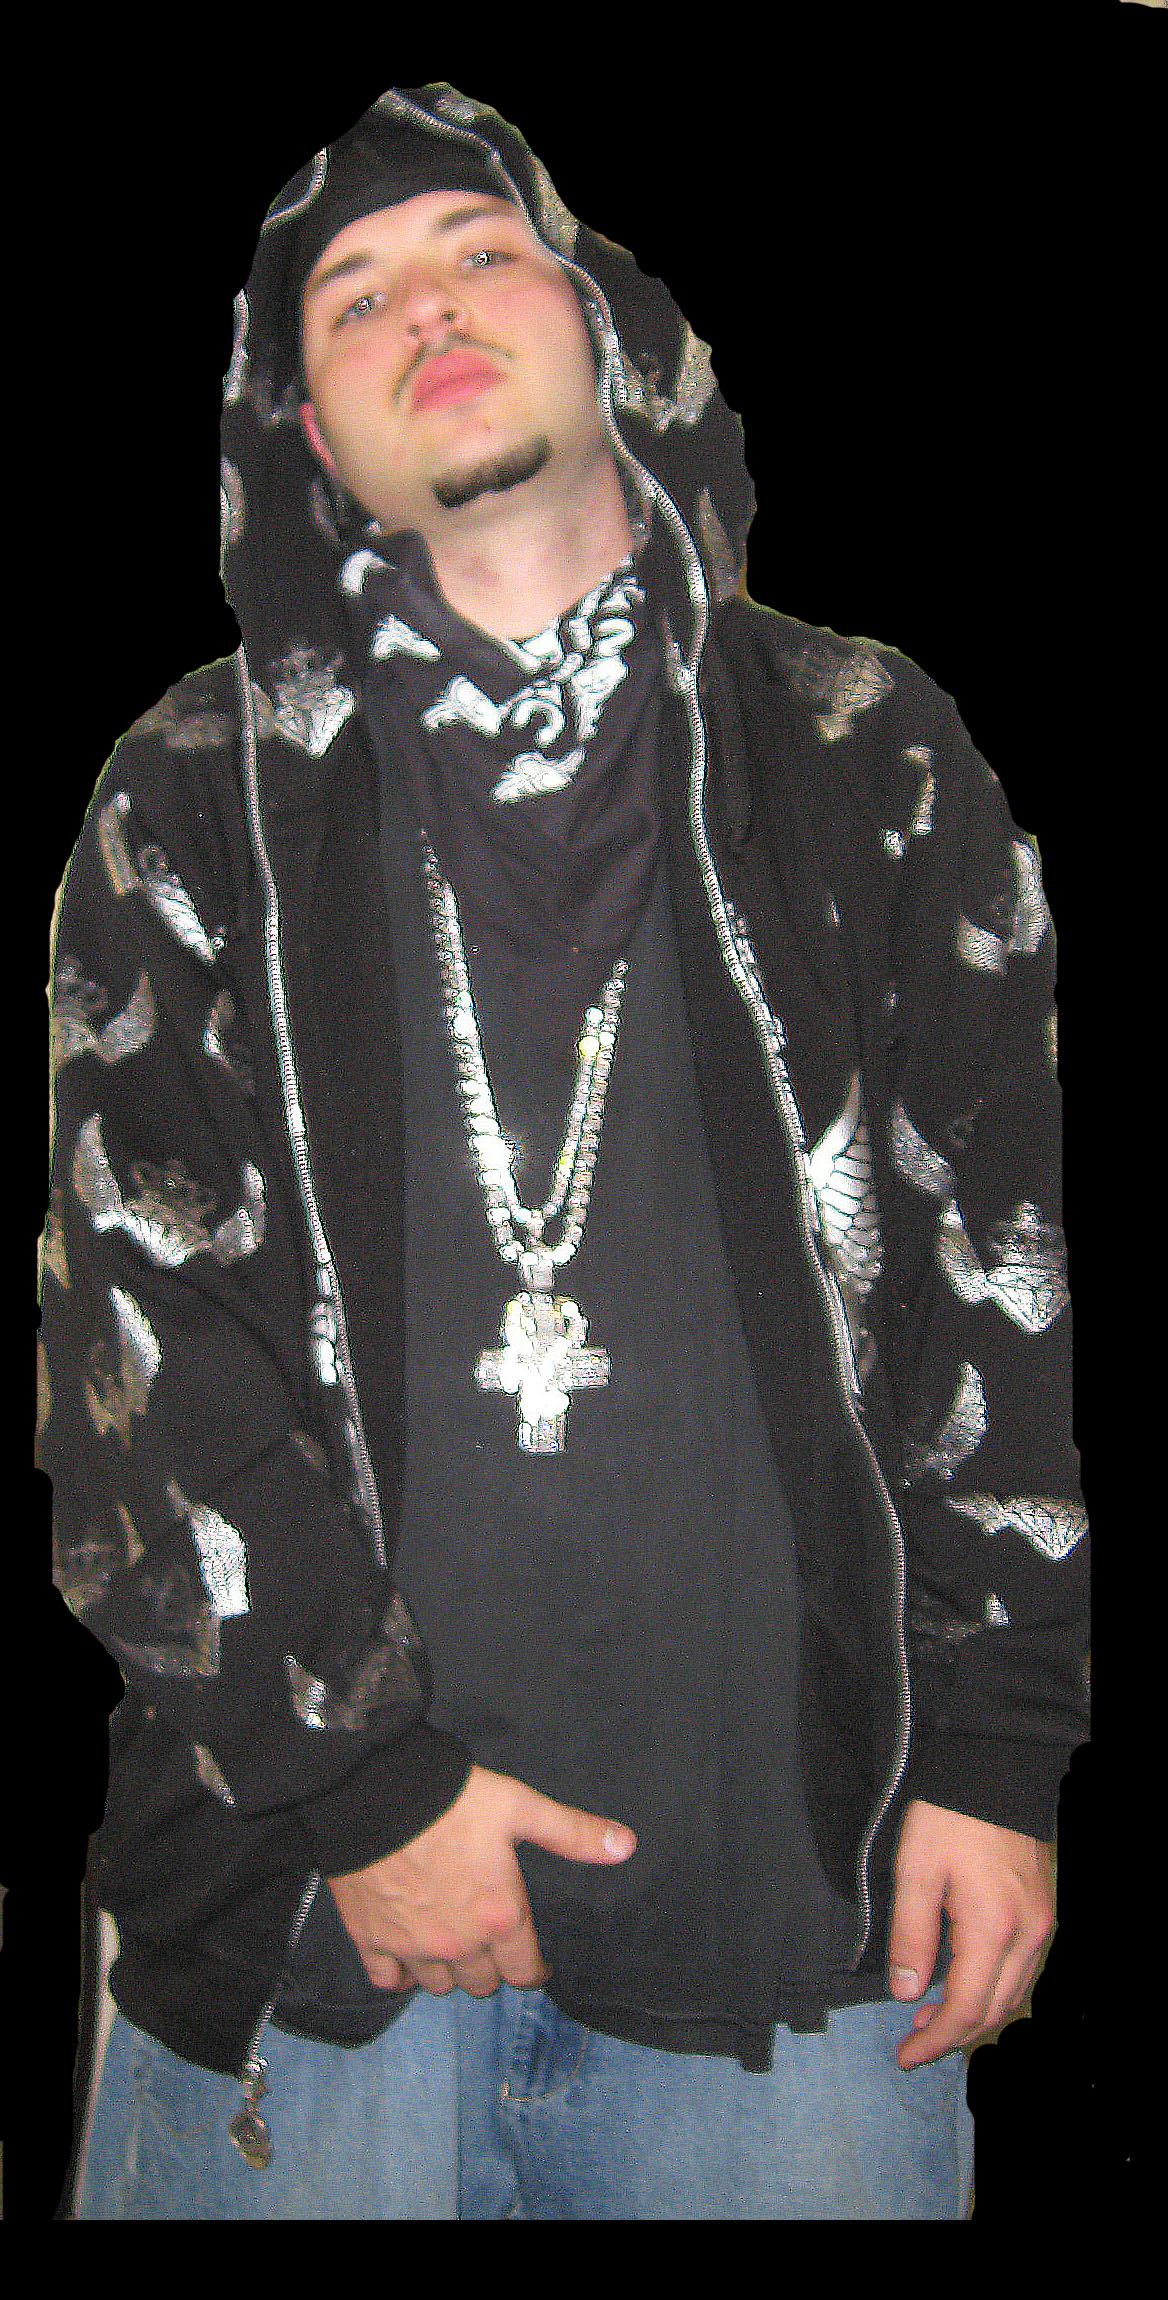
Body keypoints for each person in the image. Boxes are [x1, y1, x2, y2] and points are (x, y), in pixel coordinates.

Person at [38, 81, 1089, 2221]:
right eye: (352, 299)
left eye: (478, 254)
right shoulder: (192, 797)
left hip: (798, 1913)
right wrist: (362, 1788)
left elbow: (997, 1273)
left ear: (606, 327)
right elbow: (137, 1356)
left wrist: (997, 1745)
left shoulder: (865, 751)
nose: (423, 307)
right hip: (310, 1918)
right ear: (308, 434)